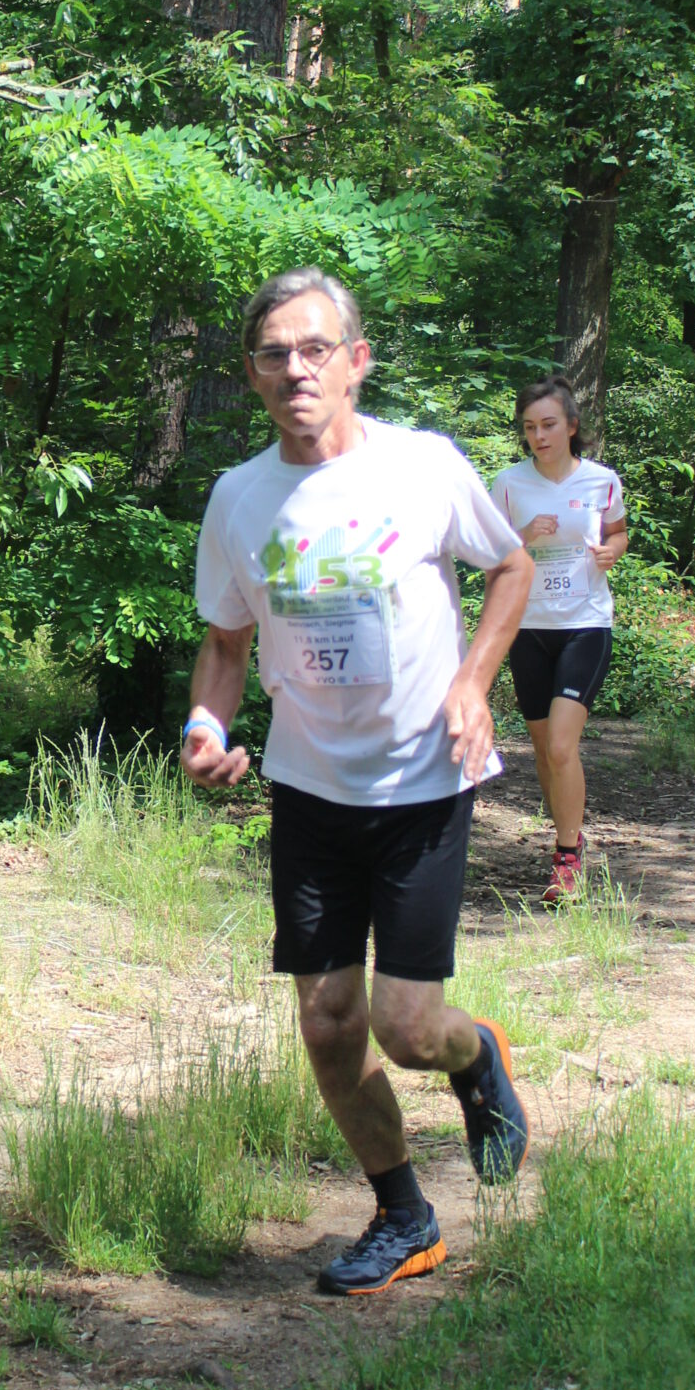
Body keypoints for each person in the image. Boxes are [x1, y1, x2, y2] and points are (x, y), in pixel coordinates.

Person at [179, 266, 536, 1298]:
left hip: (423, 782)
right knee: (330, 1019)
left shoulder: (422, 466)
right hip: (309, 791)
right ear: (253, 374)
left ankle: (474, 1056)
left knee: (408, 1028)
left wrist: (473, 682)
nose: (296, 369)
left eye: (315, 348)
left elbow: (510, 568)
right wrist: (205, 726)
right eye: (274, 354)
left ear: (356, 361)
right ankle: (403, 1215)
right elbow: (224, 644)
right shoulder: (238, 498)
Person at [489, 377, 629, 907]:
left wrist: (614, 550)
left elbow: (618, 532)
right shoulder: (508, 484)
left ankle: (567, 858)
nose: (539, 436)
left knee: (561, 746)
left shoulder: (601, 481)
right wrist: (523, 535)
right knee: (545, 753)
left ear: (571, 426)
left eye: (548, 424)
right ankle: (568, 833)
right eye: (529, 427)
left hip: (585, 623)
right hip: (527, 627)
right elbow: (488, 552)